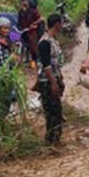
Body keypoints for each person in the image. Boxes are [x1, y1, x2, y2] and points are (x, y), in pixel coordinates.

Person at [38, 14, 65, 145]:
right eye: (62, 23)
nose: (63, 25)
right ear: (57, 24)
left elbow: (56, 64)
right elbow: (46, 65)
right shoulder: (45, 42)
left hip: (54, 79)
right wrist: (54, 83)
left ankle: (55, 139)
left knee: (57, 111)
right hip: (47, 82)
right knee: (52, 112)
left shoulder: (53, 40)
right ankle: (51, 141)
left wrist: (60, 79)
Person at [18, 0, 44, 69]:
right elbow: (19, 23)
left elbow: (41, 19)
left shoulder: (33, 10)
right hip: (24, 31)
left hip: (33, 31)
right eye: (23, 2)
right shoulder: (21, 12)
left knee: (33, 41)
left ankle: (35, 59)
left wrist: (33, 24)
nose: (24, 3)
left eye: (26, 1)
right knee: (14, 37)